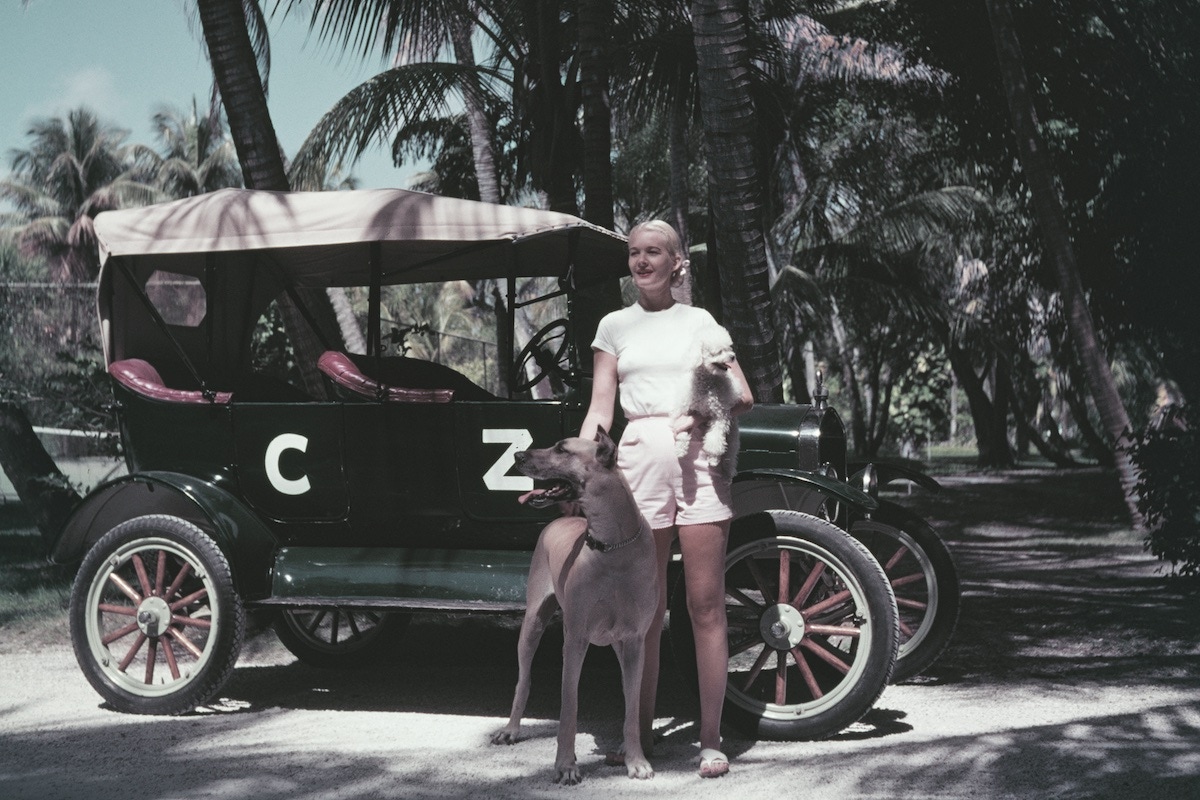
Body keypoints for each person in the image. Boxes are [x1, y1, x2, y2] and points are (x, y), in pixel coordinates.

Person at [578, 219, 753, 778]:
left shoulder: (701, 323)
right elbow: (601, 407)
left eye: (654, 252)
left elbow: (742, 395)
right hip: (638, 457)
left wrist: (698, 414)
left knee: (704, 603)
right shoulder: (613, 326)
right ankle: (639, 737)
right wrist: (579, 468)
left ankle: (710, 740)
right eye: (634, 252)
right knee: (642, 610)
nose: (641, 261)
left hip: (699, 457)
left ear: (678, 262)